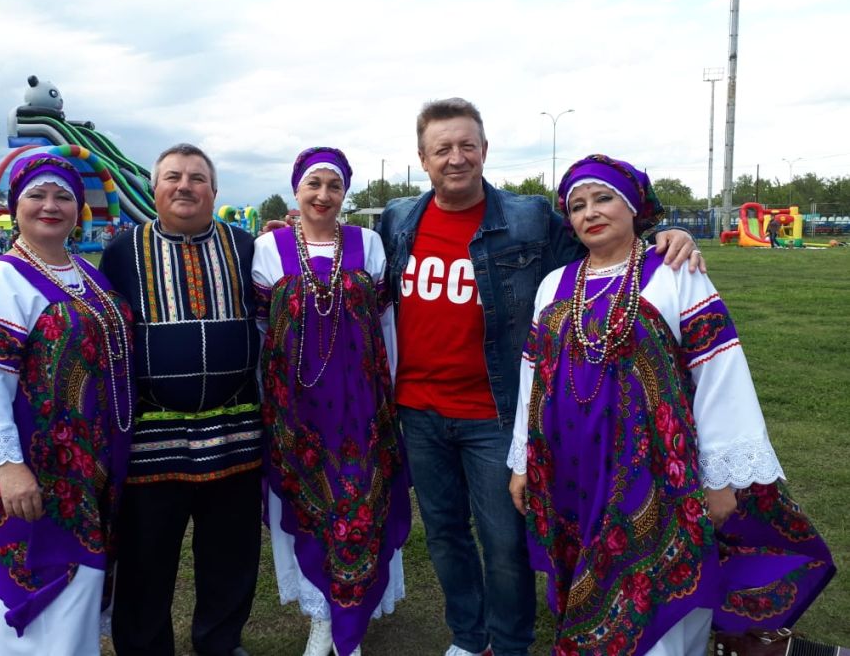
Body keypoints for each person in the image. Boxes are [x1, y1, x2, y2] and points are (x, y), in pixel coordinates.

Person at [377, 98, 702, 656]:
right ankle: (468, 636)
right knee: (446, 533)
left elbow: (602, 238)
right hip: (419, 411)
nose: (456, 158)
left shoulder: (527, 218)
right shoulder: (398, 218)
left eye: (467, 145)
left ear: (484, 149)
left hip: (495, 411)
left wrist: (667, 233)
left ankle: (509, 643)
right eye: (442, 149)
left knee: (504, 541)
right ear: (423, 159)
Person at [508, 154, 834, 655]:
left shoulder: (676, 273)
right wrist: (521, 463)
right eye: (577, 205)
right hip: (572, 471)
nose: (590, 212)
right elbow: (533, 376)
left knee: (658, 592)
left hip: (655, 472)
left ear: (634, 206)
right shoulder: (555, 284)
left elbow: (720, 374)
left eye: (603, 198)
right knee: (584, 578)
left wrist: (720, 478)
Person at [0, 153, 135, 656]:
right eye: (37, 195)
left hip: (91, 472)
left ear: (78, 210)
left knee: (82, 598)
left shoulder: (88, 276)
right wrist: (9, 468)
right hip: (37, 472)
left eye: (63, 197)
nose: (50, 206)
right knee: (45, 600)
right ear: (15, 207)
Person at [100, 143, 262, 656]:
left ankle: (220, 642)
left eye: (197, 178)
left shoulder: (245, 246)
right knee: (146, 554)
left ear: (214, 190)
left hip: (235, 428)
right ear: (155, 189)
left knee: (231, 551)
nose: (185, 186)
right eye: (173, 177)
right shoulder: (122, 251)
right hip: (154, 432)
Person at [252, 148, 410, 656]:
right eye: (313, 184)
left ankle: (353, 622)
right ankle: (321, 618)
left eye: (334, 186)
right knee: (308, 510)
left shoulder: (369, 243)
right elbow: (262, 332)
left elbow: (386, 324)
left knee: (363, 507)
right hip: (297, 412)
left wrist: (390, 393)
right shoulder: (268, 248)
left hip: (361, 409)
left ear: (345, 193)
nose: (323, 195)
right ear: (296, 189)